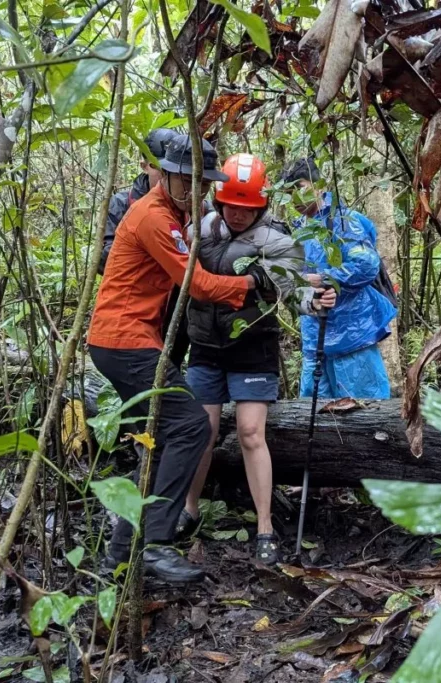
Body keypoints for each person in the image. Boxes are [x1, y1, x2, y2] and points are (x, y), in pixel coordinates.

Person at [88, 136, 277, 583]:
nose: (194, 190)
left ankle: (119, 555)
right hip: (125, 340)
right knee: (191, 427)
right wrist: (253, 284)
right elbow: (197, 284)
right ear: (166, 174)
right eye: (186, 180)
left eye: (202, 183)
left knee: (162, 436)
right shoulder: (154, 216)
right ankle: (155, 544)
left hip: (132, 340)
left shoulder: (178, 215)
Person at [176, 153, 336, 564]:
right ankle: (189, 510)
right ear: (219, 200)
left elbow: (293, 290)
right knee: (201, 430)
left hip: (253, 348)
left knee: (250, 432)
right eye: (231, 205)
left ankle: (264, 526)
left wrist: (314, 301)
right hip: (204, 347)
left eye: (247, 208)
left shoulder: (278, 241)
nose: (238, 214)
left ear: (261, 205)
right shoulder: (199, 230)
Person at [278, 157, 396, 400]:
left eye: (299, 188)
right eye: (289, 194)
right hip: (314, 339)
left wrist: (324, 278)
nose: (295, 199)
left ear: (318, 185)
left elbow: (366, 264)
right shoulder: (299, 230)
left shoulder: (343, 221)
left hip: (352, 337)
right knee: (313, 410)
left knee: (363, 408)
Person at [100, 128, 193, 368]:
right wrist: (152, 248)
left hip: (177, 307)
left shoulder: (191, 202)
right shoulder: (122, 203)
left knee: (169, 369)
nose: (165, 175)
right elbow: (103, 258)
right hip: (136, 309)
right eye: (159, 168)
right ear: (145, 166)